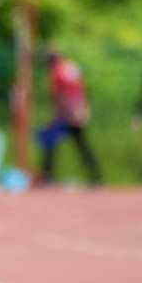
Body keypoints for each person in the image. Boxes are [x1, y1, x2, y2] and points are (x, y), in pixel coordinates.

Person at [37, 49, 102, 187]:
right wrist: (84, 108)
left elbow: (60, 93)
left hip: (67, 112)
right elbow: (82, 88)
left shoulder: (57, 71)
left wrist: (58, 113)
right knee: (81, 144)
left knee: (50, 142)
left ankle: (47, 176)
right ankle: (96, 177)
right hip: (78, 109)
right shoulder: (72, 67)